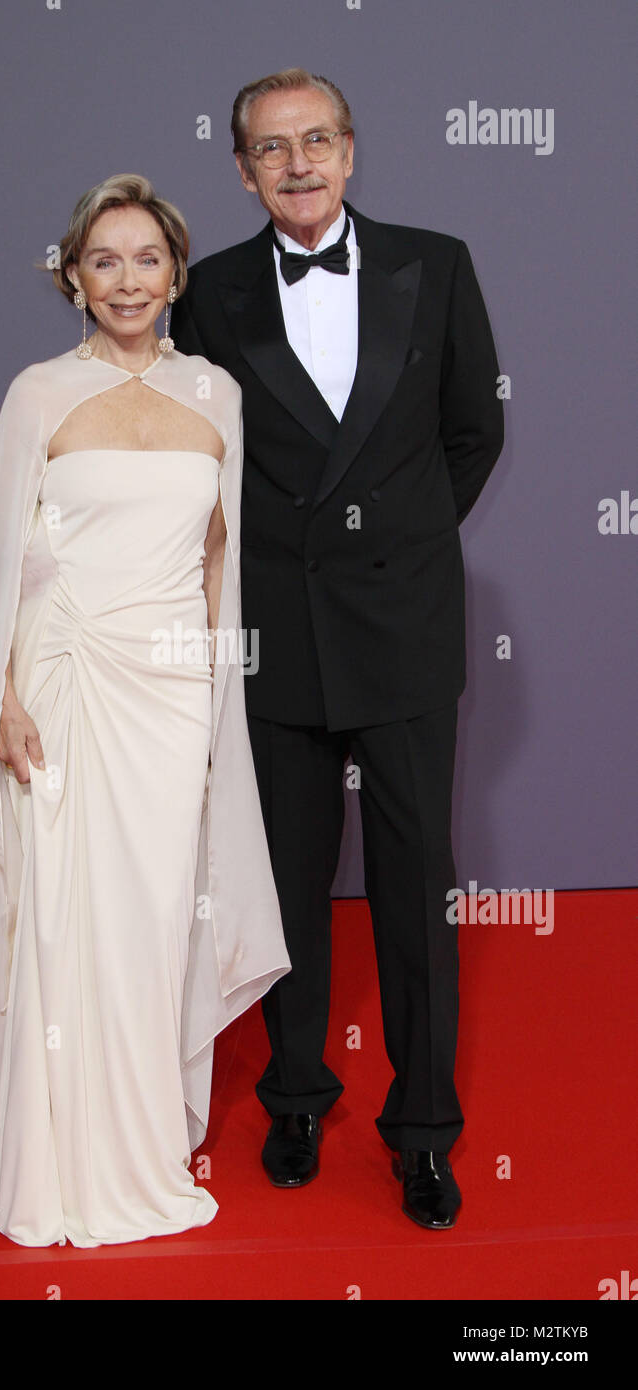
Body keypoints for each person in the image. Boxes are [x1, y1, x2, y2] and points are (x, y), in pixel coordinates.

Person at [171, 68, 504, 1229]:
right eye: (272, 148)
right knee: (287, 889)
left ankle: (422, 1130)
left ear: (351, 152)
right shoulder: (205, 293)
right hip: (279, 633)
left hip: (404, 628)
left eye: (317, 140)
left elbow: (473, 431)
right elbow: (193, 461)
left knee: (414, 891)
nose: (298, 162)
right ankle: (297, 1095)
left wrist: (397, 542)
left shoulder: (437, 262)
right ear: (242, 170)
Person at [0, 174, 290, 1248]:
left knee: (150, 921)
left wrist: (217, 692)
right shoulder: (35, 393)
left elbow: (219, 553)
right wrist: (1, 694)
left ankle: (140, 1146)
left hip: (173, 695)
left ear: (176, 273)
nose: (126, 280)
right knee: (63, 916)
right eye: (104, 261)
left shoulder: (216, 395)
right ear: (74, 278)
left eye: (146, 259)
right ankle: (61, 1161)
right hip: (66, 685)